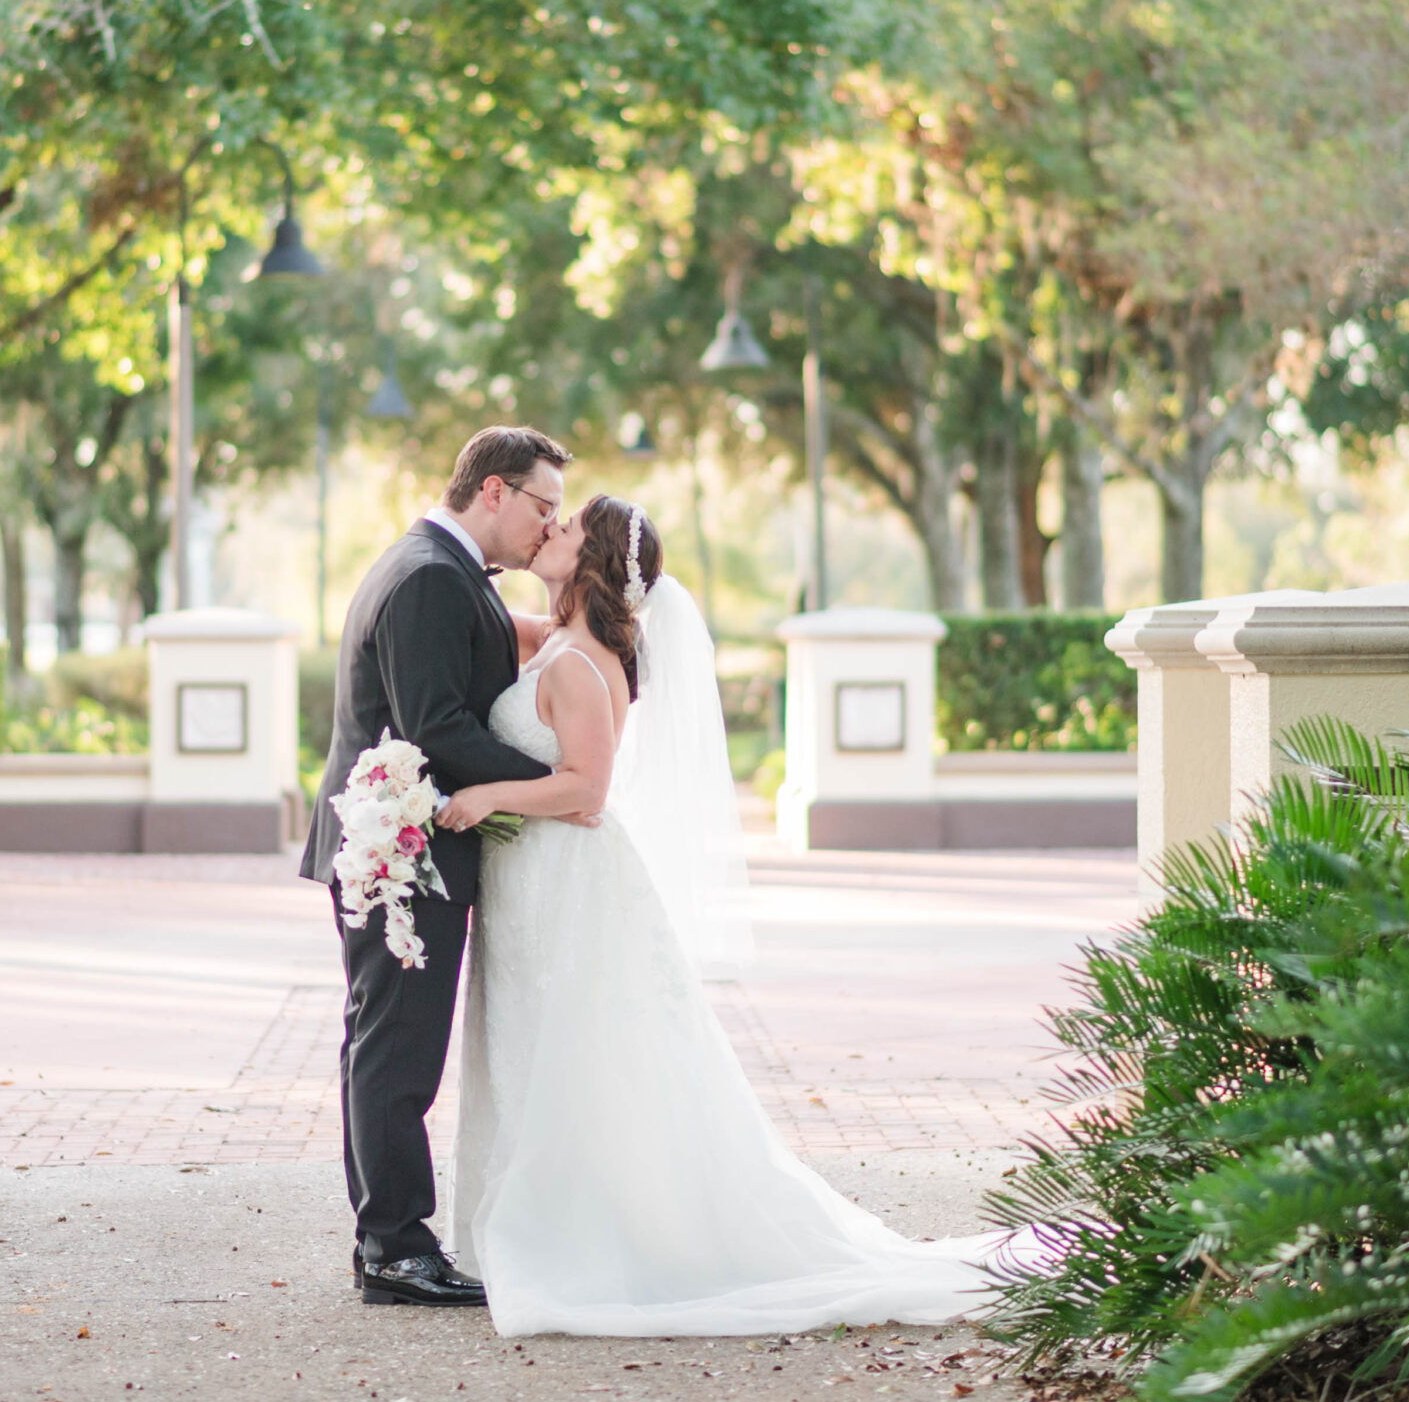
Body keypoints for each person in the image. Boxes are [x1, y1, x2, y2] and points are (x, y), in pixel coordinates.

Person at [432, 496, 1003, 1336]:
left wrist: (485, 795)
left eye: (563, 528)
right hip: (531, 882)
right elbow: (481, 618)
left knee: (575, 1049)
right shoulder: (555, 642)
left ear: (590, 562)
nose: (547, 531)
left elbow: (586, 788)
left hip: (566, 878)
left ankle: (584, 1232)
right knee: (532, 1042)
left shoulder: (580, 666)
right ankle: (528, 1219)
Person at [298, 425, 573, 1309]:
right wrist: (564, 786)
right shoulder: (426, 577)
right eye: (543, 505)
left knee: (387, 1044)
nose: (547, 524)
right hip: (399, 856)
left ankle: (388, 1239)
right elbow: (437, 730)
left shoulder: (442, 570)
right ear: (492, 490)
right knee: (396, 1052)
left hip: (406, 848)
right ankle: (393, 1246)